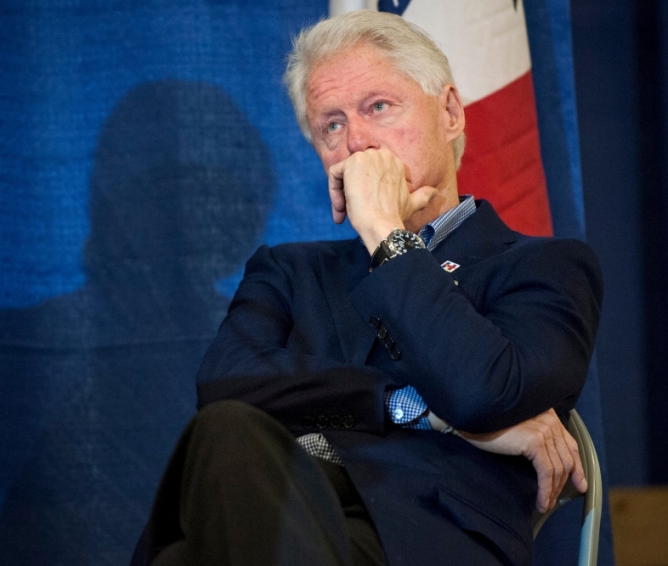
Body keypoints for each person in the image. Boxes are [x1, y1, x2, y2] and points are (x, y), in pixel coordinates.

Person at [131, 10, 602, 566]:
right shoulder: (288, 270)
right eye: (331, 125)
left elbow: (484, 392)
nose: (356, 141)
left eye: (378, 107)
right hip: (276, 509)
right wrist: (413, 409)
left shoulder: (544, 266)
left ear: (450, 113)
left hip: (418, 537)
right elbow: (225, 386)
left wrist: (385, 232)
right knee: (226, 433)